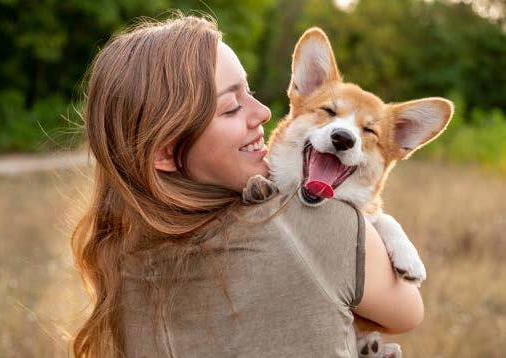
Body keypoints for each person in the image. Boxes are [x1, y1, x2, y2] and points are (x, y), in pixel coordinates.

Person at [71, 13, 423, 357]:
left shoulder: (121, 257)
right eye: (230, 108)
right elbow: (409, 313)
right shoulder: (320, 227)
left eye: (249, 91)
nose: (265, 113)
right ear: (165, 151)